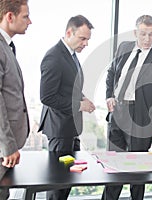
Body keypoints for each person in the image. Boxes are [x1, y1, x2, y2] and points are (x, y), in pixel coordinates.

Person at [103, 14, 152, 200]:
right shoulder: (124, 47)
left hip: (141, 119)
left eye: (151, 35)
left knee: (137, 173)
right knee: (113, 168)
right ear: (135, 32)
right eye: (143, 34)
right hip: (117, 114)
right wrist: (109, 96)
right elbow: (112, 72)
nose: (147, 39)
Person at [38, 15, 95, 200]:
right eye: (82, 38)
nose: (85, 44)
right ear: (69, 32)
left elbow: (69, 87)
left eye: (87, 39)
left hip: (69, 129)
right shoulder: (54, 57)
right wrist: (79, 105)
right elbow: (47, 97)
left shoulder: (71, 56)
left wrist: (84, 98)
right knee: (58, 184)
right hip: (59, 129)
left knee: (67, 181)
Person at [0, 0, 31, 199]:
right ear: (9, 17)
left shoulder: (7, 46)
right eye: (25, 16)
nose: (30, 21)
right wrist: (7, 145)